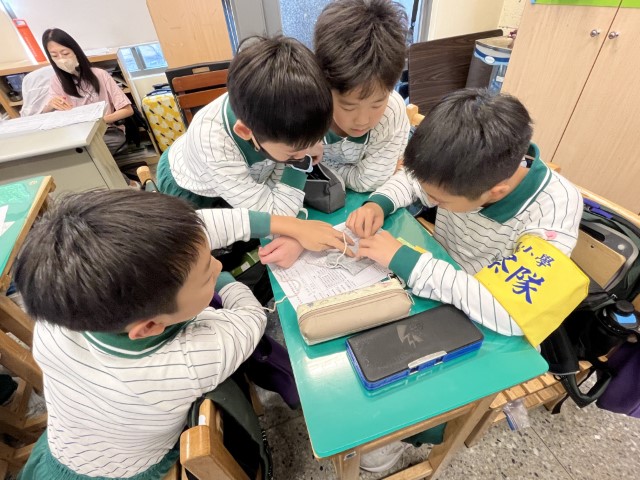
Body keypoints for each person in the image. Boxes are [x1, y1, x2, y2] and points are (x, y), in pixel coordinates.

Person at [13, 189, 352, 479]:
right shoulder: (189, 362)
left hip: (63, 446)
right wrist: (227, 282)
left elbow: (196, 229)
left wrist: (291, 226)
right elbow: (250, 319)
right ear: (150, 326)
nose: (217, 264)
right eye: (206, 273)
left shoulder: (58, 314)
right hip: (128, 470)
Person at [347, 88, 583, 472]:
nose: (431, 201)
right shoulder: (465, 168)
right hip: (443, 279)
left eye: (440, 202)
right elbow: (416, 182)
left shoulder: (554, 209)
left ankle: (412, 434)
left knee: (413, 373)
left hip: (490, 318)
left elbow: (511, 312)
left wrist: (405, 260)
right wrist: (380, 202)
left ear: (496, 192)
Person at [157, 35, 333, 273]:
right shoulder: (213, 143)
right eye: (295, 151)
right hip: (192, 187)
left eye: (312, 141)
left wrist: (301, 149)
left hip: (245, 171)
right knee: (213, 257)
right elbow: (276, 215)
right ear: (245, 131)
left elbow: (276, 202)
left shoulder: (277, 116)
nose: (310, 150)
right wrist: (301, 163)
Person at [313, 0, 411, 193]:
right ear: (324, 86)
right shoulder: (307, 106)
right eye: (348, 106)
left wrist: (319, 165)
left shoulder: (391, 111)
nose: (363, 120)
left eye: (377, 104)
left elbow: (369, 181)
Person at [42, 28, 133, 156]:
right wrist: (50, 105)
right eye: (55, 56)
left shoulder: (100, 74)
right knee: (69, 151)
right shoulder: (56, 81)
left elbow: (127, 110)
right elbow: (45, 116)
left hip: (105, 130)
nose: (61, 59)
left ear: (75, 51)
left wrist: (99, 121)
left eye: (65, 53)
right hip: (75, 132)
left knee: (87, 150)